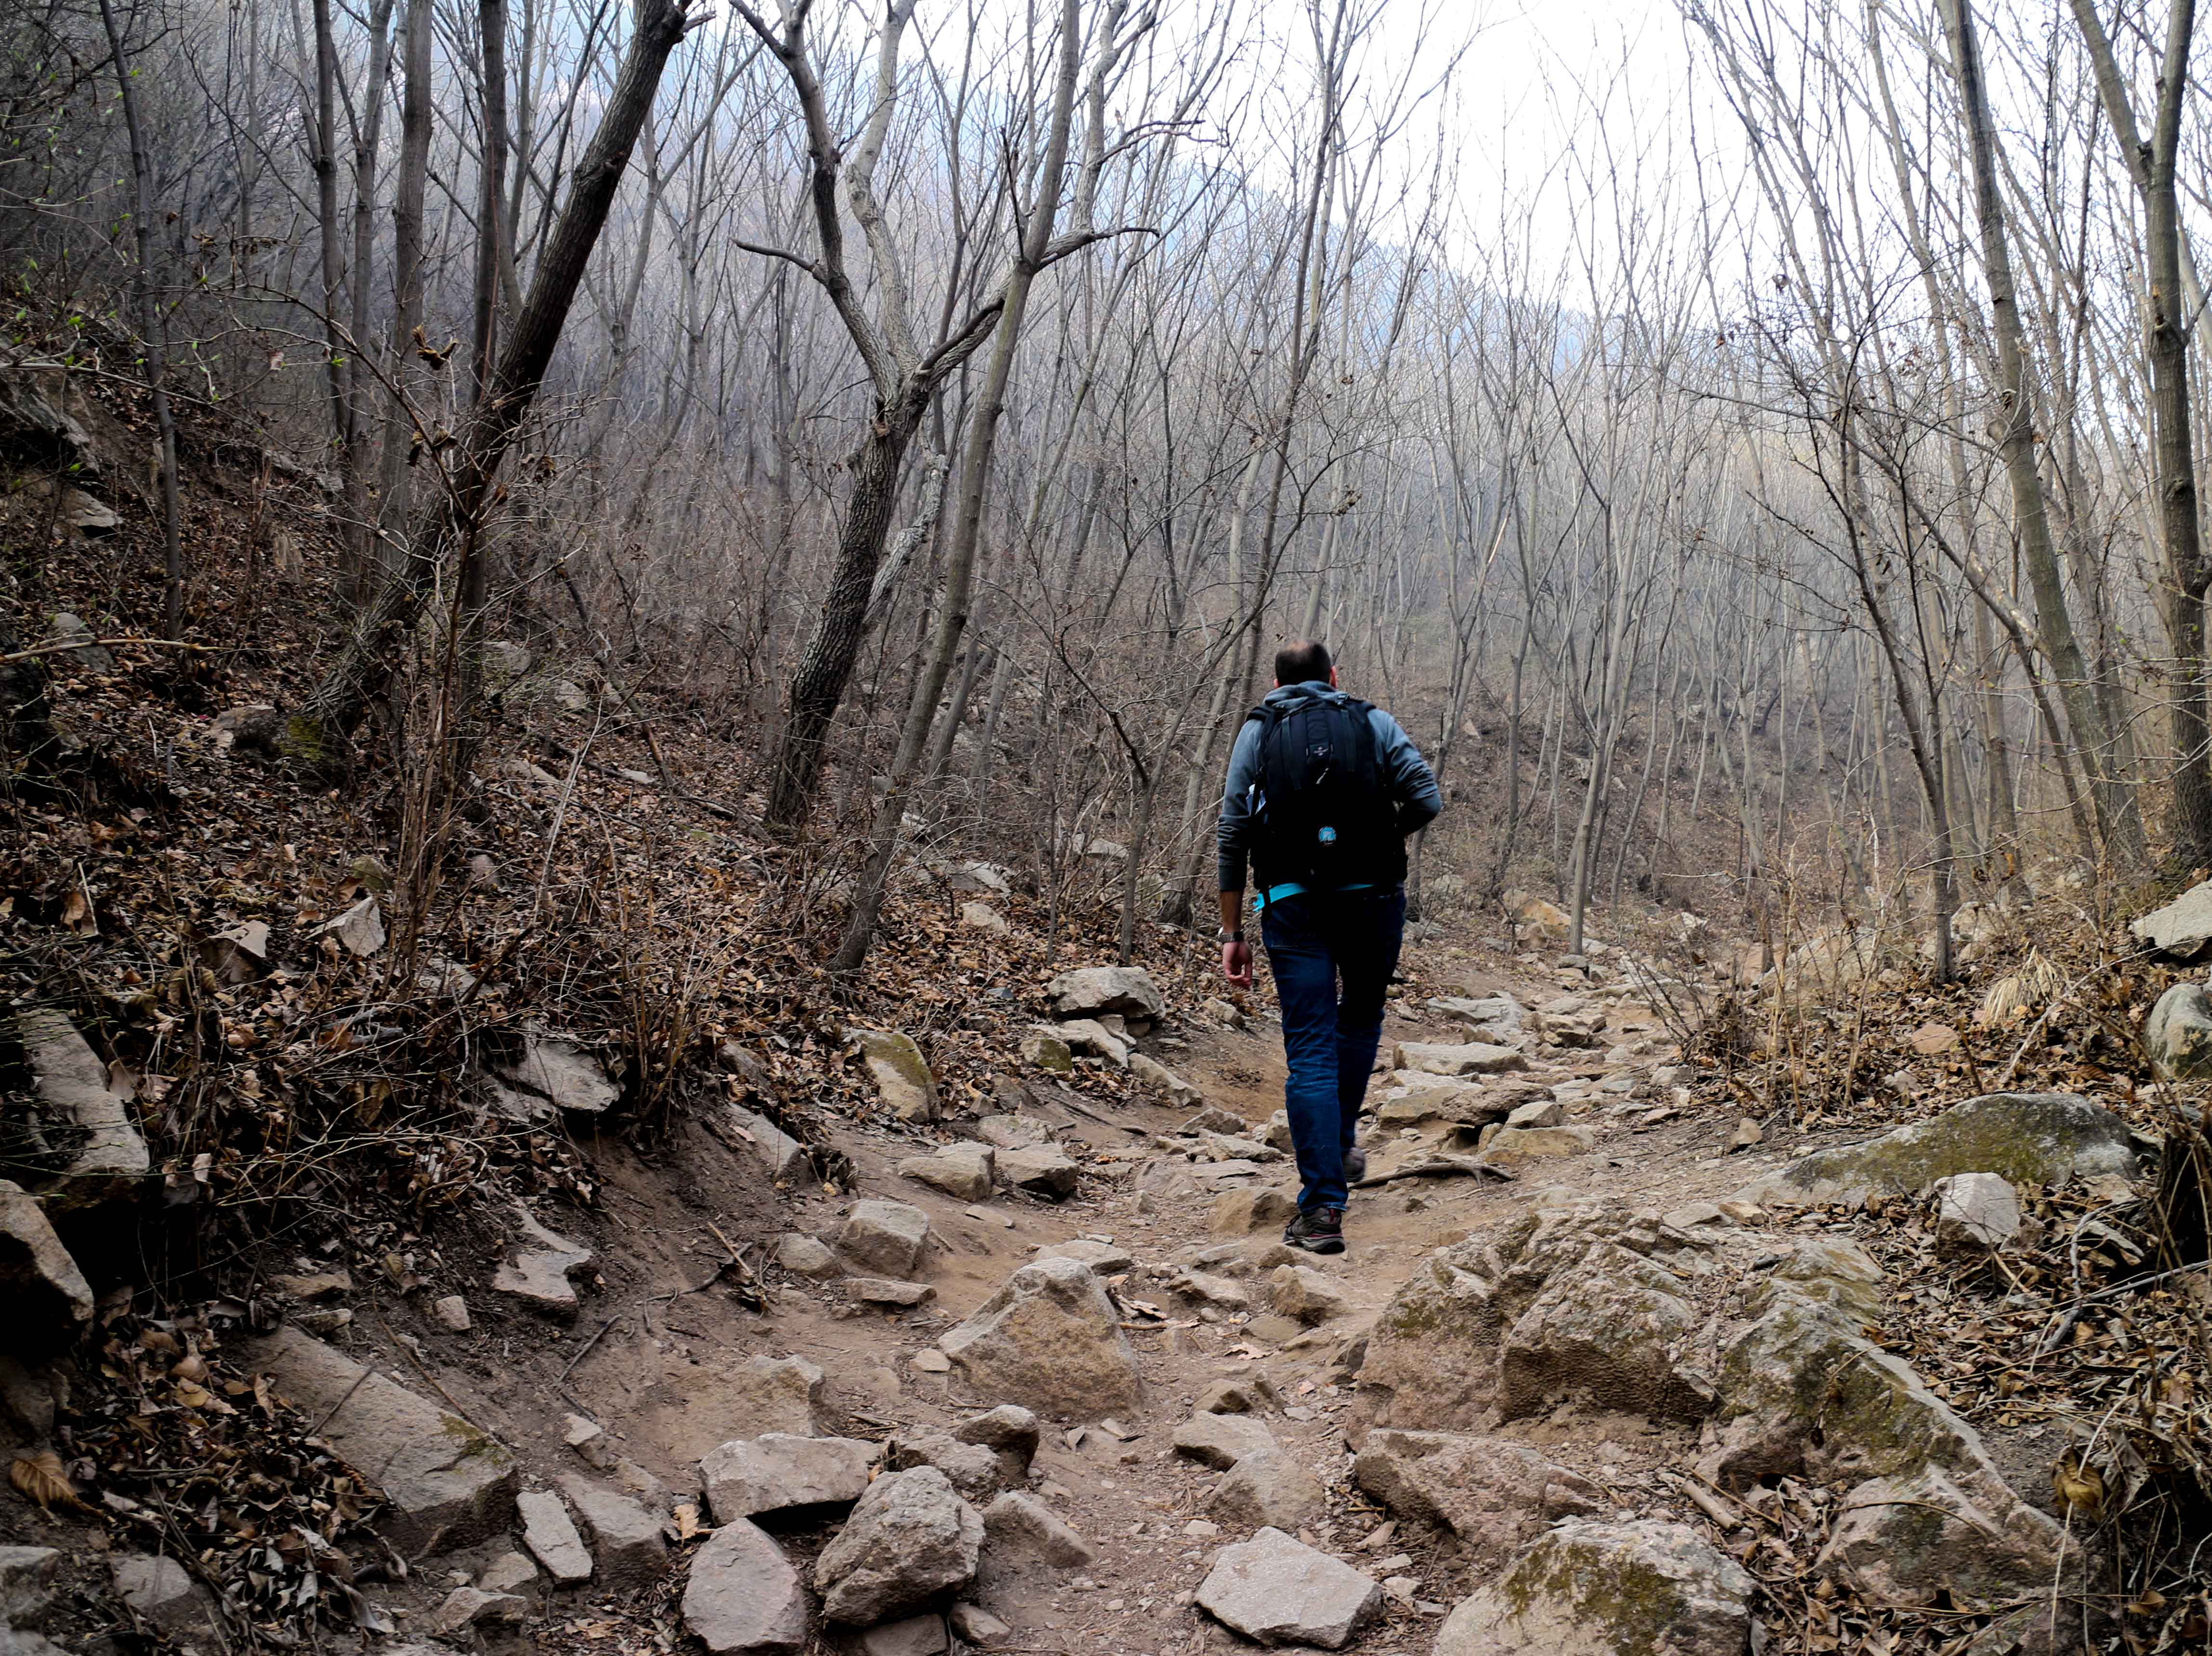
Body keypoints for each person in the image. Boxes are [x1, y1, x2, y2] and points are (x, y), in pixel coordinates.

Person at [1216, 639, 1441, 1255]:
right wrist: (1377, 839)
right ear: (1335, 675)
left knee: (1309, 1045)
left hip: (1291, 903)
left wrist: (1233, 932)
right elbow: (1427, 797)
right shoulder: (1372, 720)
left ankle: (1321, 1211)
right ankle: (1339, 1141)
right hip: (1373, 899)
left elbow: (1234, 828)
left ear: (1276, 682)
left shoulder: (1257, 732)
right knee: (1362, 1014)